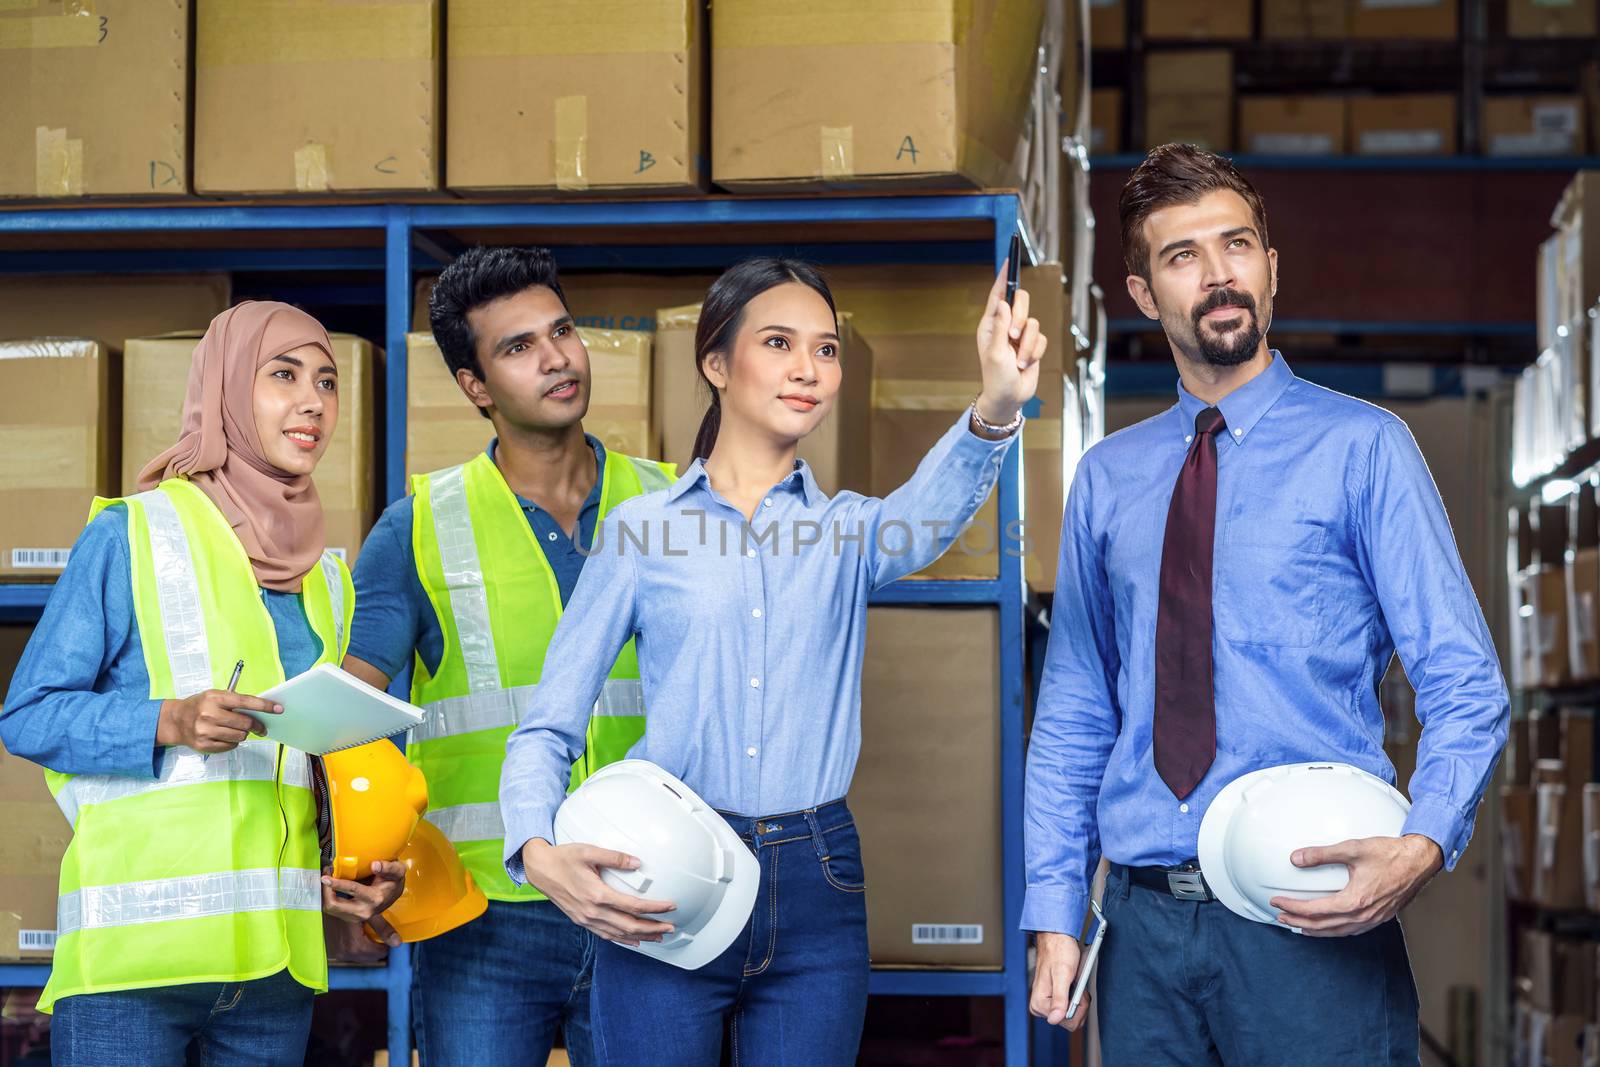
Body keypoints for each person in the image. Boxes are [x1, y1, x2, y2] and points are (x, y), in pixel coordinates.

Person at [1022, 143, 1509, 1065]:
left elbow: (1462, 680)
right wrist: (1053, 910)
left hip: (1311, 915)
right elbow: (1077, 710)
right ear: (1142, 293)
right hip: (1143, 931)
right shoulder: (1106, 479)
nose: (1218, 276)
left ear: (1271, 268)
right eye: (1182, 256)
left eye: (1236, 245)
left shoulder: (1365, 449)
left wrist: (1423, 846)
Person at [499, 255, 1045, 1066]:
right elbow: (549, 723)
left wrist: (998, 402)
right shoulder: (643, 532)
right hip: (664, 870)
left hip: (818, 878)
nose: (809, 370)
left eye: (826, 350)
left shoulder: (849, 531)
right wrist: (537, 853)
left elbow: (931, 513)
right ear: (716, 363)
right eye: (781, 342)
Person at [0, 302, 406, 1066]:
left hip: (273, 970)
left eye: (327, 380)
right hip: (136, 966)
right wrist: (170, 721)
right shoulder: (132, 532)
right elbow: (27, 714)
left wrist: (352, 865)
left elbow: (313, 766)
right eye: (282, 374)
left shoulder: (330, 579)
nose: (313, 400)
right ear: (222, 388)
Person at [340, 246, 675, 1067]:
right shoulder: (418, 524)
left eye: (562, 330)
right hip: (487, 916)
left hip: (655, 896)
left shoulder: (673, 502)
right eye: (518, 346)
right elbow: (352, 718)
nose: (557, 357)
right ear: (475, 386)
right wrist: (358, 869)